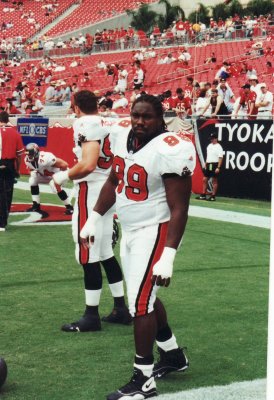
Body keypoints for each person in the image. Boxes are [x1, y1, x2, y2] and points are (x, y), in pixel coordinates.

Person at [80, 94, 196, 399]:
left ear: (161, 118)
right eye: (136, 116)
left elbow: (180, 207)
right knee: (145, 295)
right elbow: (112, 180)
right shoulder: (122, 135)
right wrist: (94, 217)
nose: (140, 122)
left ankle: (143, 379)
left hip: (157, 229)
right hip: (131, 229)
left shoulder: (171, 148)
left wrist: (168, 254)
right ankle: (172, 355)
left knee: (140, 304)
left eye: (147, 117)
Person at [51, 90, 131, 332]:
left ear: (76, 107)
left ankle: (91, 315)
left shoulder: (84, 122)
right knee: (105, 251)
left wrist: (62, 175)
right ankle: (121, 308)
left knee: (87, 253)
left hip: (91, 191)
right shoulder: (110, 120)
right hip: (110, 190)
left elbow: (88, 164)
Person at [24, 143, 74, 214]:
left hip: (59, 173)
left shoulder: (45, 158)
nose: (29, 156)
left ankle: (69, 207)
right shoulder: (27, 160)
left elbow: (65, 165)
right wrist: (36, 173)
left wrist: (58, 177)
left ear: (36, 152)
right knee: (32, 180)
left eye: (31, 154)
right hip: (47, 175)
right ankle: (36, 206)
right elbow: (31, 170)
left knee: (53, 184)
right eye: (28, 154)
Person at [0, 111, 24, 231]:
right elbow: (19, 155)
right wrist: (17, 169)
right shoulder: (15, 133)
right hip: (9, 165)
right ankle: (3, 221)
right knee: (7, 193)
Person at [196, 132, 224, 202]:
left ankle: (213, 196)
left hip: (215, 164)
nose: (211, 140)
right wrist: (205, 164)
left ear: (216, 139)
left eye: (212, 139)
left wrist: (218, 167)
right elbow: (208, 156)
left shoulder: (219, 147)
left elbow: (220, 157)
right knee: (205, 179)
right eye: (211, 139)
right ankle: (203, 195)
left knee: (214, 180)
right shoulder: (209, 146)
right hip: (209, 164)